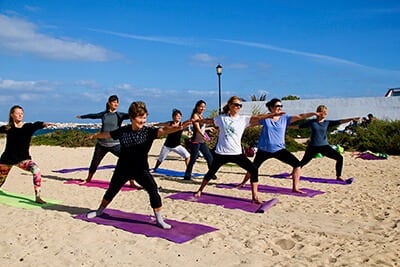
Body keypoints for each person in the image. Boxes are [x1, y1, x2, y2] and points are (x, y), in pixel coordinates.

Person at [86, 101, 192, 229]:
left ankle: (159, 219)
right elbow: (108, 134)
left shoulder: (149, 132)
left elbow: (163, 130)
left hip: (141, 169)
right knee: (112, 190)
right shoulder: (123, 131)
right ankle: (99, 211)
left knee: (153, 189)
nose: (143, 120)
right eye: (140, 117)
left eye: (145, 117)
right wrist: (95, 135)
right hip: (123, 168)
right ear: (131, 117)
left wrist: (179, 128)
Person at [194, 96, 284, 203]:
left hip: (237, 153)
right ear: (230, 105)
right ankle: (200, 190)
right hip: (221, 153)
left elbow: (259, 117)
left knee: (253, 169)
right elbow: (208, 121)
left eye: (240, 105)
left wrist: (272, 114)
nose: (238, 107)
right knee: (211, 172)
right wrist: (195, 120)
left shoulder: (243, 119)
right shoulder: (222, 118)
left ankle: (255, 196)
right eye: (236, 105)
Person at [238, 98, 319, 193]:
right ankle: (243, 183)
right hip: (264, 150)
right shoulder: (266, 118)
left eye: (281, 106)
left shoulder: (285, 118)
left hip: (279, 150)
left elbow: (300, 116)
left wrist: (313, 114)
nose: (279, 108)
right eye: (277, 106)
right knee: (253, 168)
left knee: (297, 165)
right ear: (271, 108)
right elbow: (253, 120)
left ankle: (295, 188)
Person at [76, 95, 138, 188]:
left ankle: (132, 183)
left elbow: (131, 115)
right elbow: (93, 116)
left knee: (128, 160)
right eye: (114, 102)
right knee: (94, 163)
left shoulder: (119, 115)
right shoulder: (104, 114)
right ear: (109, 103)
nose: (116, 104)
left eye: (117, 102)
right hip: (102, 144)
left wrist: (138, 111)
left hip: (115, 145)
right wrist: (82, 117)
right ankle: (88, 179)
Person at [0, 105, 55, 204]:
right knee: (1, 180)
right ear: (12, 115)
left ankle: (38, 196)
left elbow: (36, 124)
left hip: (23, 160)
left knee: (36, 170)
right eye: (18, 113)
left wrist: (43, 124)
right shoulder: (8, 128)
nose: (20, 115)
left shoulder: (28, 127)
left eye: (22, 113)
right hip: (7, 159)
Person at [297, 105, 359, 180]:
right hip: (313, 146)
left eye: (326, 112)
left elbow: (340, 121)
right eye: (324, 112)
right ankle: (293, 173)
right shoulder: (312, 122)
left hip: (324, 146)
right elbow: (298, 126)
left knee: (340, 158)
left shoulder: (327, 123)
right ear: (319, 113)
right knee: (303, 162)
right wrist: (285, 126)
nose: (325, 114)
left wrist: (351, 119)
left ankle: (338, 176)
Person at [183, 100, 216, 181]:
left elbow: (202, 128)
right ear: (197, 107)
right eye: (201, 106)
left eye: (204, 107)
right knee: (193, 159)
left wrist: (209, 128)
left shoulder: (201, 116)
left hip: (201, 141)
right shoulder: (195, 116)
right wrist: (203, 135)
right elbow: (197, 128)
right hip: (196, 141)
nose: (203, 108)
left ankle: (211, 174)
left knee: (209, 157)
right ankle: (187, 175)